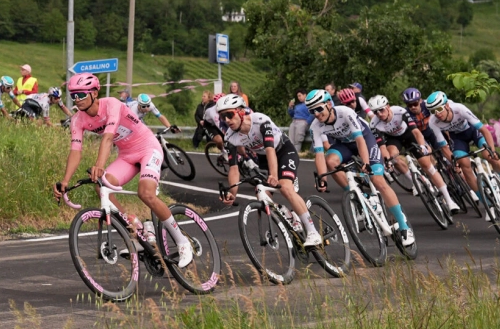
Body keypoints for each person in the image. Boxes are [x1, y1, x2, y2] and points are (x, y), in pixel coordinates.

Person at [54, 71, 193, 266]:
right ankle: (136, 229)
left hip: (148, 148)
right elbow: (75, 151)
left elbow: (108, 138)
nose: (77, 100)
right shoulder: (78, 119)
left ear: (94, 93)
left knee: (145, 193)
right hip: (127, 156)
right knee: (103, 187)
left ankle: (182, 241)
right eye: (73, 95)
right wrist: (65, 181)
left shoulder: (111, 104)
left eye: (82, 94)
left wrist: (99, 166)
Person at [304, 88, 414, 246]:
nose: (316, 113)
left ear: (329, 104)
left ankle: (404, 226)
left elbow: (360, 140)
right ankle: (357, 195)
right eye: (311, 110)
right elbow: (319, 154)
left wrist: (366, 163)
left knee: (377, 180)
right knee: (331, 162)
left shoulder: (345, 112)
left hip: (364, 140)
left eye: (319, 108)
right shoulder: (315, 126)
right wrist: (322, 177)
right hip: (343, 145)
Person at [213, 93, 321, 247]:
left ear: (241, 111)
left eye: (229, 115)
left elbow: (271, 150)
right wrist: (232, 192)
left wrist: (273, 175)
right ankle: (287, 215)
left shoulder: (260, 121)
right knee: (261, 193)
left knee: (284, 187)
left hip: (283, 151)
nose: (227, 120)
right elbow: (234, 168)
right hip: (263, 158)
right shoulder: (230, 137)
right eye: (223, 117)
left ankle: (313, 232)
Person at [423, 91, 500, 206]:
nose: (437, 113)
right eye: (433, 111)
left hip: (473, 131)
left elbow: (484, 130)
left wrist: (492, 150)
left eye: (439, 109)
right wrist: (454, 163)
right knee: (463, 164)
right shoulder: (433, 122)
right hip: (458, 139)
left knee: (489, 156)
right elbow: (444, 147)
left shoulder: (459, 109)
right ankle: (488, 205)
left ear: (447, 105)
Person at [366, 94, 457, 214]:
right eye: (375, 112)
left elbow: (416, 132)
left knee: (427, 164)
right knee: (392, 156)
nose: (379, 114)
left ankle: (449, 201)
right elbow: (382, 147)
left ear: (388, 106)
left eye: (381, 110)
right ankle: (415, 181)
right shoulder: (374, 124)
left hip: (408, 134)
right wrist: (387, 161)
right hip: (393, 139)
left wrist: (422, 146)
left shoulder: (400, 112)